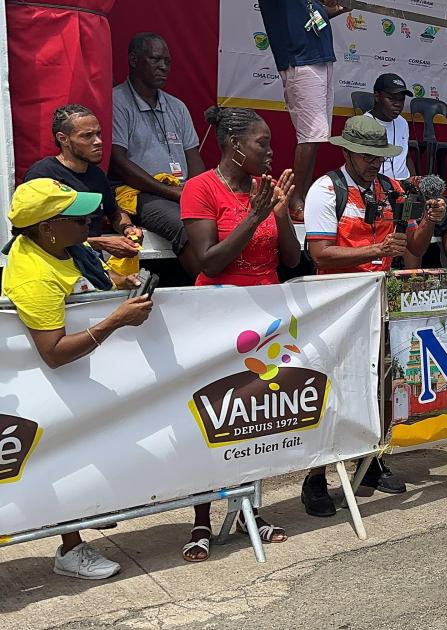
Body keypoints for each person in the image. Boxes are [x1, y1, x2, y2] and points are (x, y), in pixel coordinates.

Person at [2, 179, 152, 579]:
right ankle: (71, 550)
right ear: (47, 226)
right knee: (57, 462)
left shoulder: (67, 248)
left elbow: (89, 285)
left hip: (85, 382)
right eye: (78, 217)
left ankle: (90, 512)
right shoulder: (34, 276)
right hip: (53, 387)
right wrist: (115, 320)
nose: (90, 221)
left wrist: (119, 287)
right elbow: (53, 353)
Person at [179, 106, 299, 560]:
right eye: (261, 143)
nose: (270, 152)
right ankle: (201, 520)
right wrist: (254, 214)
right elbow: (209, 260)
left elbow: (290, 260)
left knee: (253, 424)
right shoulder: (200, 188)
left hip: (265, 326)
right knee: (211, 422)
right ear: (233, 145)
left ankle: (251, 507)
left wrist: (280, 213)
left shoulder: (265, 191)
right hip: (216, 322)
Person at [300, 115, 423, 515]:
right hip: (336, 306)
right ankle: (314, 478)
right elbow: (319, 253)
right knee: (329, 391)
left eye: (380, 155)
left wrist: (431, 221)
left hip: (380, 302)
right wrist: (376, 251)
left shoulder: (391, 189)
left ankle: (369, 463)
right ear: (348, 151)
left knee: (377, 385)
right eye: (368, 155)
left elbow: (411, 248)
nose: (374, 162)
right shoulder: (325, 189)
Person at [109, 33, 205, 276]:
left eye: (167, 61)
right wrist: (172, 192)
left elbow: (193, 156)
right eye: (155, 59)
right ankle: (210, 291)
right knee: (186, 225)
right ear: (133, 60)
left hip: (180, 191)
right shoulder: (117, 101)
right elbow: (118, 162)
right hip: (141, 193)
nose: (163, 66)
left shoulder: (177, 106)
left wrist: (197, 191)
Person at [257, 0, 349, 216]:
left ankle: (303, 195)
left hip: (321, 58)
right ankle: (294, 199)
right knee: (310, 135)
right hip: (299, 60)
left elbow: (313, 14)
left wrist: (338, 9)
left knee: (316, 135)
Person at [25, 105, 140, 260]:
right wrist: (100, 243)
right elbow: (37, 236)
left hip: (92, 266)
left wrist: (128, 228)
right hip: (57, 266)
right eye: (87, 136)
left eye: (98, 133)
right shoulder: (42, 175)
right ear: (63, 139)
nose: (98, 141)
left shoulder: (97, 175)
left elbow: (114, 212)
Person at [364, 73, 415, 182]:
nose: (398, 104)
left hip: (404, 185)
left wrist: (414, 182)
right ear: (377, 96)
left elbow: (406, 156)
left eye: (401, 100)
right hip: (379, 187)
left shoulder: (402, 122)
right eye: (392, 98)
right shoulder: (364, 124)